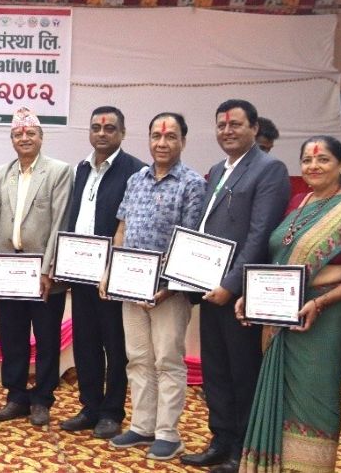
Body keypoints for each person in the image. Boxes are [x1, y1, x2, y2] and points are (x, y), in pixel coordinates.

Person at [237, 136, 341, 473]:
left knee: (315, 397)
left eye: (323, 160)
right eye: (307, 160)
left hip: (322, 322)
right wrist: (253, 294)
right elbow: (280, 261)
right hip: (281, 316)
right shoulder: (298, 202)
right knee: (278, 397)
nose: (314, 166)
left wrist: (321, 301)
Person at [182, 100, 290, 473]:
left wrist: (231, 285)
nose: (227, 131)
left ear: (254, 128)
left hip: (240, 294)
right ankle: (220, 440)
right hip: (210, 288)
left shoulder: (269, 169)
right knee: (215, 371)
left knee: (242, 372)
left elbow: (260, 235)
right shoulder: (217, 169)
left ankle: (242, 449)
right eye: (221, 125)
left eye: (235, 124)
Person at [107, 112, 207, 461]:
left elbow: (191, 241)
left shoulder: (192, 184)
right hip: (130, 288)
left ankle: (168, 433)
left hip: (168, 292)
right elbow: (122, 228)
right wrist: (111, 271)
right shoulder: (136, 179)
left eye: (170, 137)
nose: (162, 143)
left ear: (183, 141)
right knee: (138, 358)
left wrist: (169, 287)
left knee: (167, 360)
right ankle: (142, 425)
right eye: (156, 136)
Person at [59, 107, 146, 439]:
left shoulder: (136, 171)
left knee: (115, 346)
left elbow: (131, 226)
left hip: (113, 275)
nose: (102, 133)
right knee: (85, 344)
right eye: (96, 127)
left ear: (122, 133)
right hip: (80, 272)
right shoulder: (81, 169)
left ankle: (112, 412)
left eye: (109, 128)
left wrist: (116, 269)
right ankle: (90, 407)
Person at [0, 107, 73, 427]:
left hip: (43, 274)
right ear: (12, 139)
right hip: (10, 270)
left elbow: (60, 222)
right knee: (12, 337)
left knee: (47, 339)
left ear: (41, 137)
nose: (24, 138)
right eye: (18, 134)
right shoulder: (2, 172)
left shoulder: (59, 171)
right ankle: (16, 397)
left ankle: (42, 399)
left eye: (30, 133)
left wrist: (49, 270)